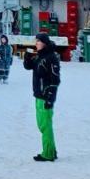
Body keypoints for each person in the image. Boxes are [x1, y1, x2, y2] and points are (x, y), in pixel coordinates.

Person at [24, 33, 60, 162]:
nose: (36, 43)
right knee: (42, 125)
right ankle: (51, 150)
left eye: (38, 41)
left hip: (45, 96)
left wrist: (50, 96)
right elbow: (29, 67)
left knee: (45, 125)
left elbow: (55, 79)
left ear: (44, 43)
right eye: (36, 41)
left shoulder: (51, 58)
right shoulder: (40, 56)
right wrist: (27, 57)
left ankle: (48, 153)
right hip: (38, 95)